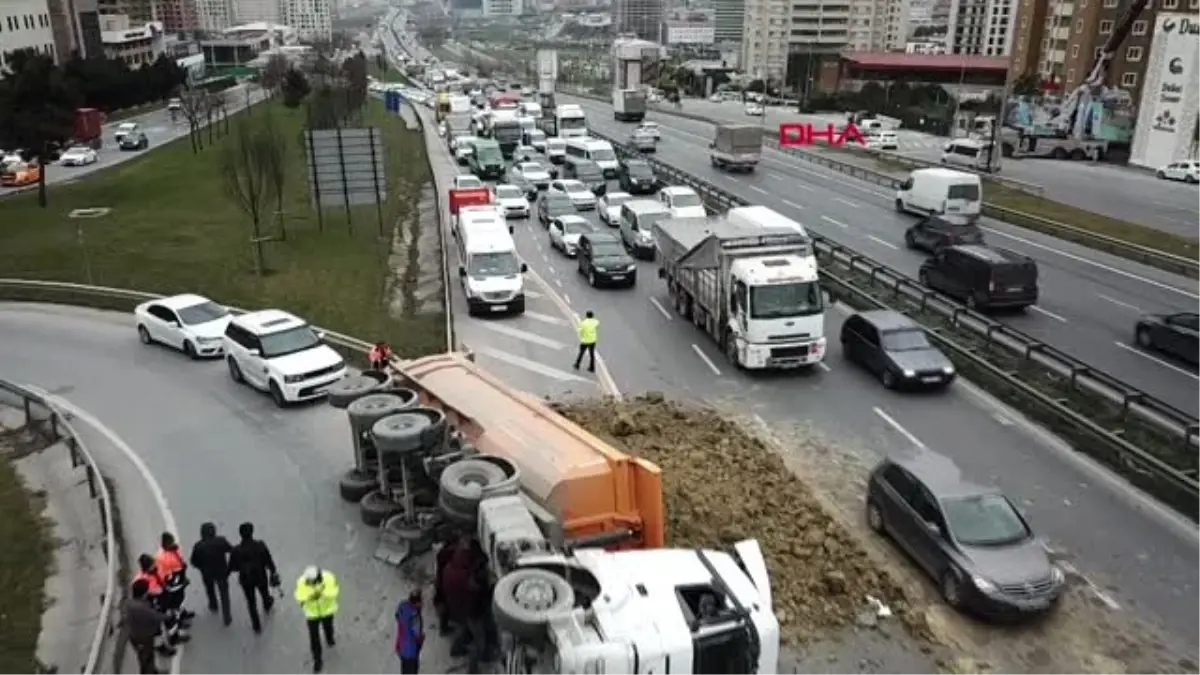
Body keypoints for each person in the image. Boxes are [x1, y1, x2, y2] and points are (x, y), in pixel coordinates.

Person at [228, 522, 280, 633]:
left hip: (246, 579)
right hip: (261, 576)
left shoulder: (236, 550)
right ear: (252, 532)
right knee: (264, 593)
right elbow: (268, 559)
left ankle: (256, 625)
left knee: (251, 602)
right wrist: (273, 571)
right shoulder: (260, 545)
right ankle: (267, 604)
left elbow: (232, 567)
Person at [132, 553, 189, 652]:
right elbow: (146, 594)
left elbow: (165, 581)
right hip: (154, 604)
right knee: (160, 627)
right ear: (147, 567)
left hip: (164, 599)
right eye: (152, 564)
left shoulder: (155, 571)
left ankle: (174, 637)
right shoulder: (141, 579)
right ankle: (163, 647)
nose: (155, 565)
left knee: (172, 620)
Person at [294, 566, 340, 672]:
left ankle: (330, 638)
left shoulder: (328, 577)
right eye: (309, 581)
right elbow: (298, 595)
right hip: (312, 614)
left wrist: (322, 594)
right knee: (314, 638)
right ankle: (317, 660)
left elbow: (334, 592)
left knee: (328, 627)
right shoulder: (302, 582)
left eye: (313, 581)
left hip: (327, 611)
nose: (310, 583)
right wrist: (309, 597)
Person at [189, 522, 233, 625]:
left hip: (207, 573)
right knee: (224, 593)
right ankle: (227, 616)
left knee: (210, 589)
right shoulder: (221, 541)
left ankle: (213, 605)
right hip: (221, 571)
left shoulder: (198, 546)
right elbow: (231, 550)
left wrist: (201, 568)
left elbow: (193, 561)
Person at [126, 578, 169, 675]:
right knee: (146, 658)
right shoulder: (141, 608)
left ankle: (153, 672)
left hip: (136, 635)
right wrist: (168, 616)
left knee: (146, 657)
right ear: (144, 593)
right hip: (143, 637)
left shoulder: (131, 603)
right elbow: (155, 617)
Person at [155, 533, 194, 628]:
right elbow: (166, 574)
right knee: (174, 602)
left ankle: (181, 612)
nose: (173, 543)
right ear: (166, 544)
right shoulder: (162, 557)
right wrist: (181, 582)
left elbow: (178, 561)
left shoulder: (173, 550)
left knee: (180, 598)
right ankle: (178, 622)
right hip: (171, 581)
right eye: (171, 542)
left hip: (178, 577)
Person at [395, 589, 425, 675]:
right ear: (417, 602)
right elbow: (417, 635)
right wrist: (422, 639)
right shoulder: (415, 616)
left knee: (404, 671)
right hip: (412, 651)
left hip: (402, 647)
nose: (422, 603)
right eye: (420, 601)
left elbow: (398, 618)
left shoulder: (402, 608)